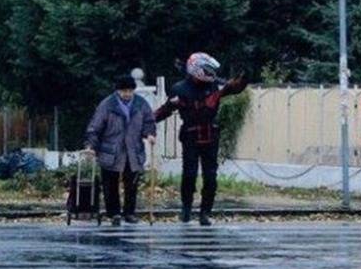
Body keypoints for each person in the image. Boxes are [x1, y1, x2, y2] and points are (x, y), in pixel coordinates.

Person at [155, 53, 247, 226]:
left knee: (210, 176)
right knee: (189, 174)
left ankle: (205, 212)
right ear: (196, 69)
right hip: (190, 134)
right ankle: (186, 208)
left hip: (211, 134)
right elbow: (165, 110)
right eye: (207, 70)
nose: (210, 73)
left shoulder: (215, 85)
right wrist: (148, 121)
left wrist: (245, 76)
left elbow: (234, 87)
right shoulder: (179, 88)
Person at [85, 75, 156, 226]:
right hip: (111, 149)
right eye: (124, 91)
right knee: (110, 183)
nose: (127, 94)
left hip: (133, 150)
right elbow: (95, 127)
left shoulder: (141, 104)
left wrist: (150, 134)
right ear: (118, 91)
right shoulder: (107, 105)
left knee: (132, 183)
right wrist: (91, 146)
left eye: (130, 91)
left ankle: (129, 212)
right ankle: (114, 213)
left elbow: (149, 121)